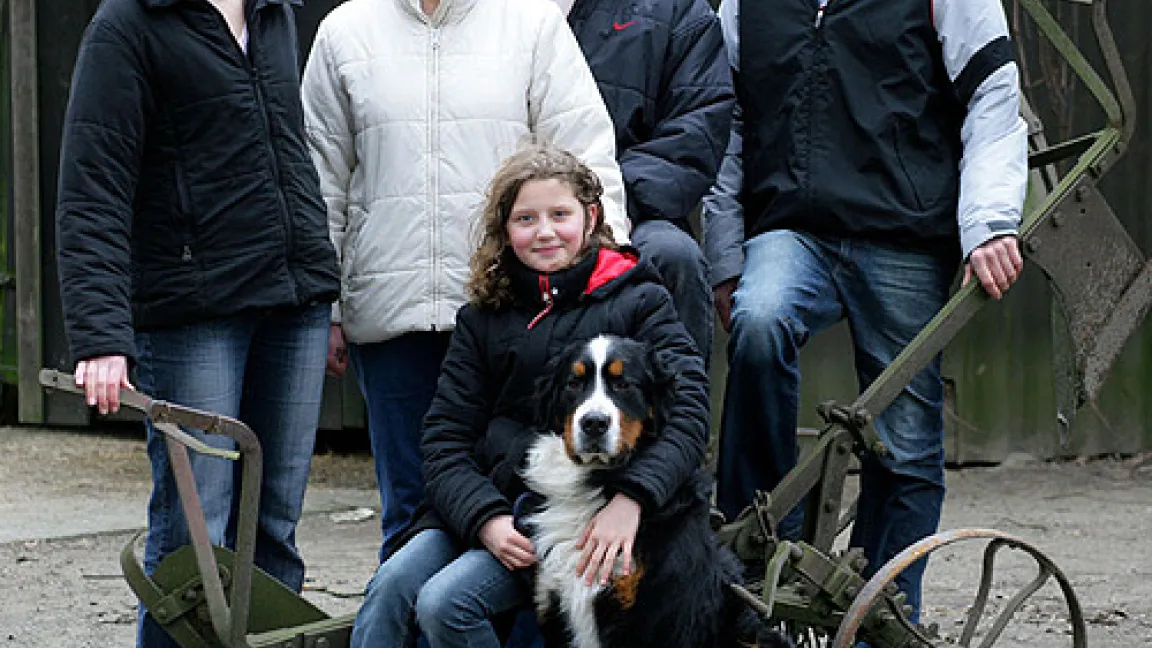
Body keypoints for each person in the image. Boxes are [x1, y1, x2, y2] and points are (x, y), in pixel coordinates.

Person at [704, 0, 1028, 619]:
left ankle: (883, 608)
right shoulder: (742, 7)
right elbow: (728, 126)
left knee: (905, 440)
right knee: (759, 320)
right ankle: (765, 552)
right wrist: (724, 253)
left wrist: (988, 223)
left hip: (904, 234)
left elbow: (992, 98)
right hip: (791, 229)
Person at [55, 0, 341, 646]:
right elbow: (93, 183)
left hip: (293, 306)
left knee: (272, 530)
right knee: (193, 539)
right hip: (193, 318)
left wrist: (324, 287)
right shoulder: (127, 26)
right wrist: (101, 336)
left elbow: (289, 153)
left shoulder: (274, 15)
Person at [301, 0, 629, 559]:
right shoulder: (345, 31)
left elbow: (585, 155)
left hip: (514, 315)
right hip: (391, 316)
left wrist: (602, 283)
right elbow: (320, 177)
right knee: (410, 514)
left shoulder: (530, 22)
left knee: (527, 508)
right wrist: (325, 306)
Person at [348, 141, 708, 647]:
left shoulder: (640, 299)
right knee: (390, 586)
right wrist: (485, 519)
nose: (544, 232)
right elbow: (445, 440)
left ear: (591, 217)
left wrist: (633, 497)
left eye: (559, 214)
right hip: (485, 510)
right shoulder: (481, 319)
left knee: (446, 604)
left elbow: (689, 413)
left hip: (572, 513)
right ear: (504, 230)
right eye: (526, 219)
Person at [563, 0, 734, 362]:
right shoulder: (492, 11)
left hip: (635, 209)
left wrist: (604, 205)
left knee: (674, 255)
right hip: (516, 212)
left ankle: (678, 416)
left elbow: (696, 127)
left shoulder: (678, 10)